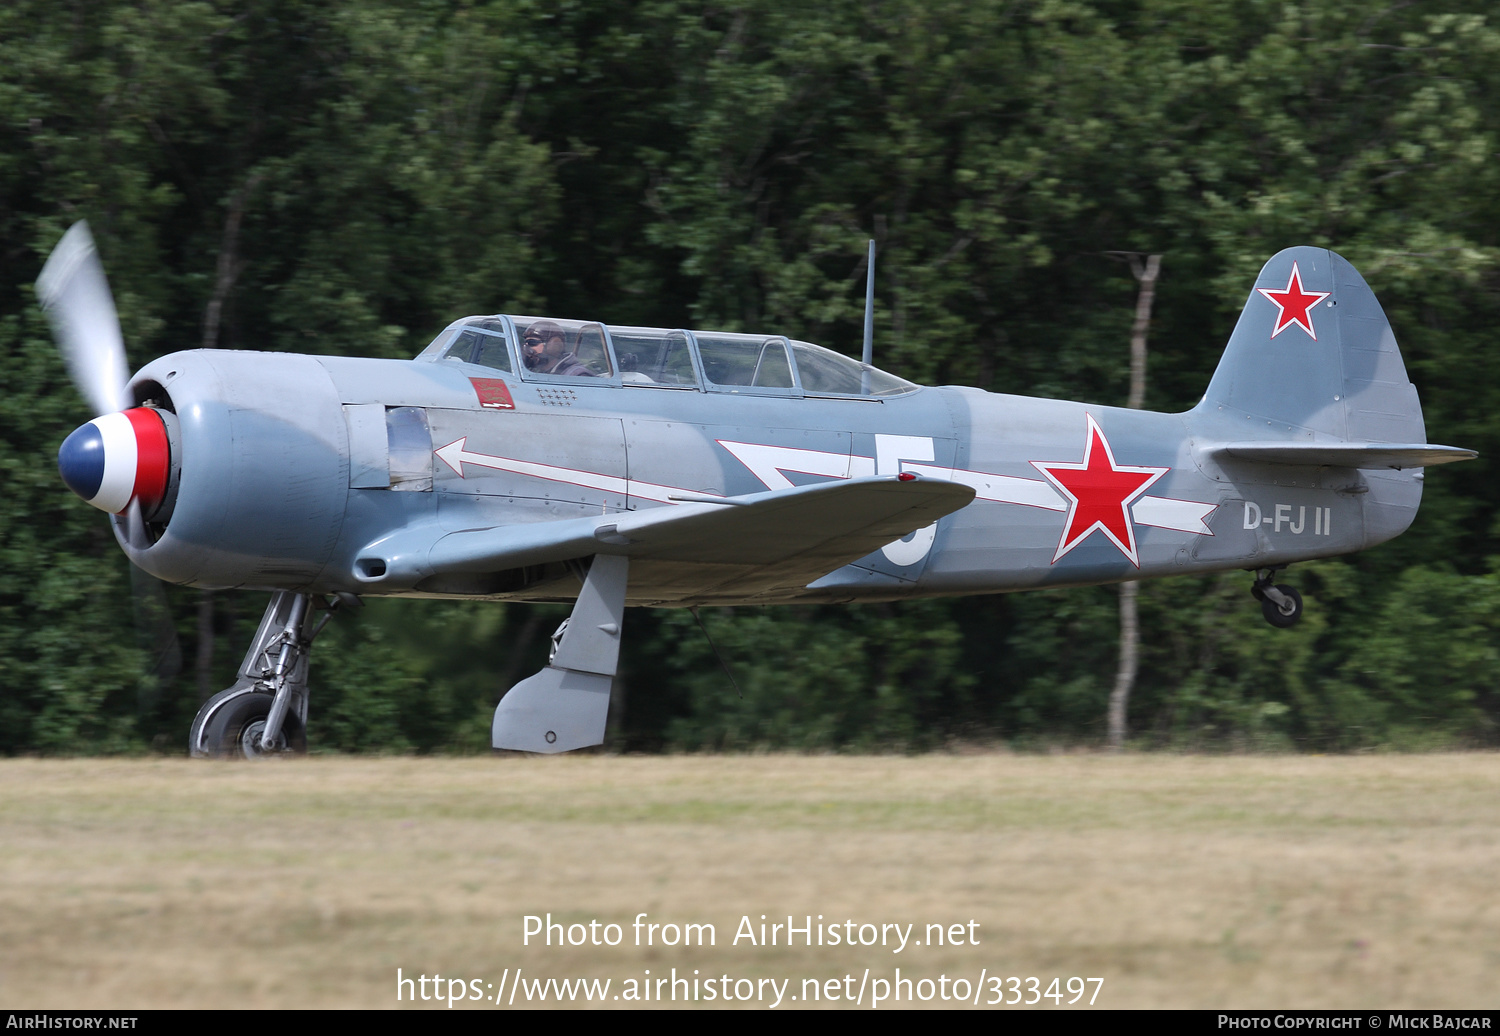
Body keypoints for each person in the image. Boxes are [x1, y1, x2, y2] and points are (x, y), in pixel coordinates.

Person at [522, 320, 596, 377]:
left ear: (554, 344)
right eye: (525, 343)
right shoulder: (538, 373)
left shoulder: (578, 375)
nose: (527, 347)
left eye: (532, 342)